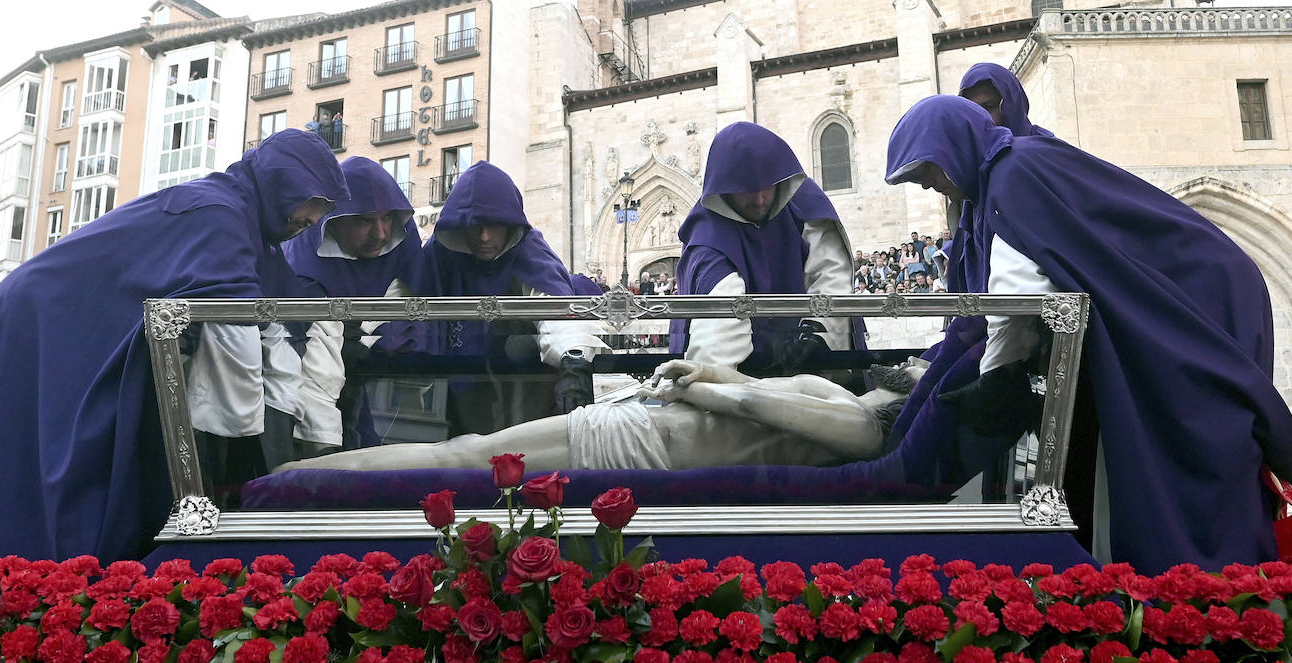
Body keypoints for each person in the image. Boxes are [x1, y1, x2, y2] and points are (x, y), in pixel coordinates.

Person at [884, 94, 1292, 574]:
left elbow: (1017, 305)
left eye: (928, 172)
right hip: (1207, 287)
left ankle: (1204, 581)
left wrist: (993, 381)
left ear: (951, 146)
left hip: (1203, 295)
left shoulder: (1013, 178)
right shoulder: (1017, 166)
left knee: (1191, 431)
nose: (933, 187)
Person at [0, 129, 349, 563]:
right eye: (311, 201)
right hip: (37, 320)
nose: (313, 219)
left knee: (48, 452)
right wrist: (260, 459)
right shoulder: (221, 215)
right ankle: (12, 575)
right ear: (282, 182)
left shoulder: (242, 216)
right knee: (42, 452)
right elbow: (238, 331)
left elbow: (282, 308)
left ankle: (20, 567)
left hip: (54, 317)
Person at [278, 360, 923, 473]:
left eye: (925, 372)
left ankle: (301, 477)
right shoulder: (836, 393)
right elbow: (741, 383)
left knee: (463, 456)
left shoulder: (863, 429)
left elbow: (750, 403)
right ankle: (303, 473)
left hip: (644, 444)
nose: (919, 366)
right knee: (465, 451)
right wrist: (698, 375)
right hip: (646, 423)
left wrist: (698, 392)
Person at [422, 161, 609, 436]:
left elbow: (554, 308)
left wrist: (573, 360)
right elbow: (404, 300)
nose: (484, 237)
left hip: (524, 392)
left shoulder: (528, 250)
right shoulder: (440, 254)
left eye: (494, 226)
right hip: (455, 392)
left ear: (510, 224)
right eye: (475, 226)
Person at [670, 122, 862, 371]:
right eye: (747, 191)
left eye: (766, 188)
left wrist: (817, 332)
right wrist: (715, 385)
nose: (759, 199)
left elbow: (830, 273)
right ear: (726, 189)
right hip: (744, 372)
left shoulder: (803, 203)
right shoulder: (708, 233)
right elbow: (719, 328)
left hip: (811, 363)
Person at [284, 156, 437, 453]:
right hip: (304, 383)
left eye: (387, 218)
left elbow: (409, 306)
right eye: (365, 220)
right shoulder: (301, 256)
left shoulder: (402, 240)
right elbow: (313, 364)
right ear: (333, 219)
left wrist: (383, 339)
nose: (380, 234)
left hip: (374, 385)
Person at [947, 62, 1055, 294]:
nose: (982, 119)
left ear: (1012, 104)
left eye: (990, 107)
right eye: (973, 110)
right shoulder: (975, 169)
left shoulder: (1043, 154)